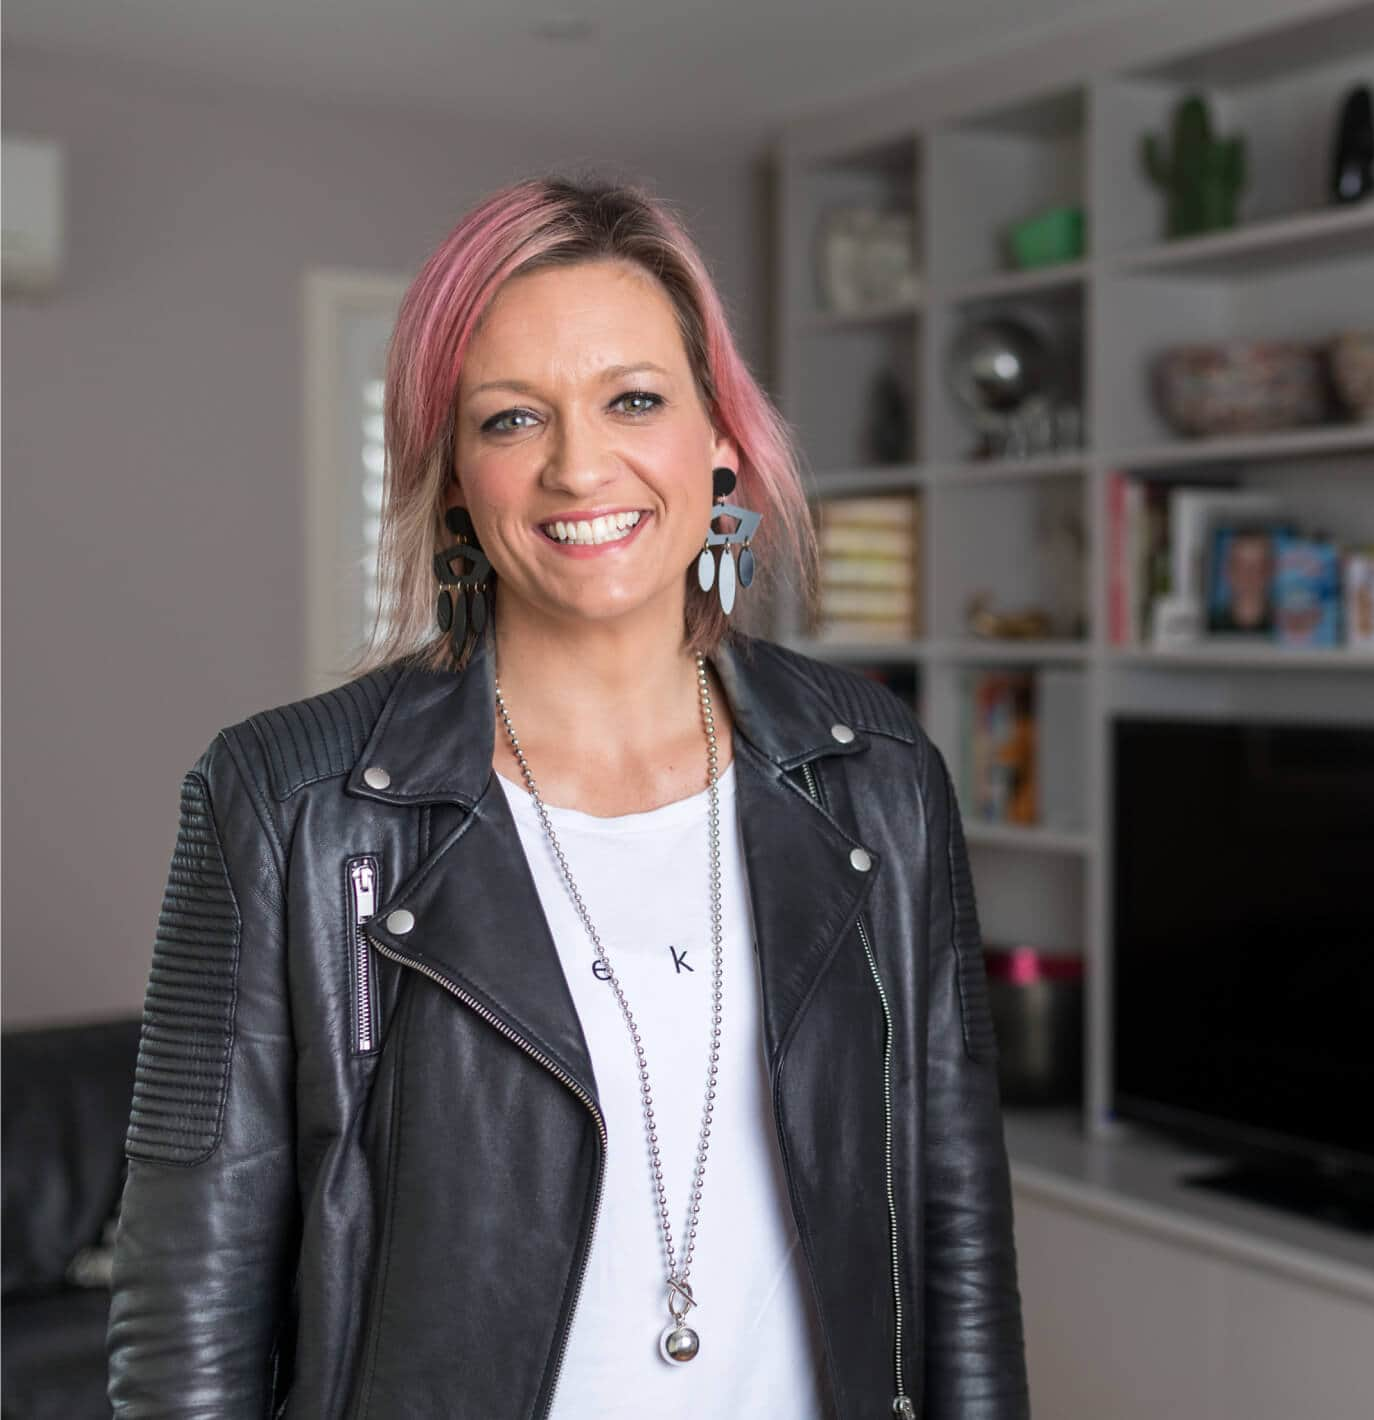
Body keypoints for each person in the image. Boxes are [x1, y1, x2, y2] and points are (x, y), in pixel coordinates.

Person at [105, 176, 1030, 1419]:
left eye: (634, 400)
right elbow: (184, 1324)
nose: (578, 465)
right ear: (448, 477)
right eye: (509, 420)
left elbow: (955, 1221)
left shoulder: (878, 771)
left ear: (718, 440)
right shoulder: (282, 801)